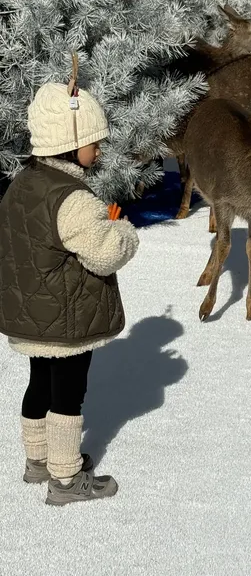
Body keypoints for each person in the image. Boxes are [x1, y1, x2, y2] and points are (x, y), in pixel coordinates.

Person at [0, 79, 139, 505]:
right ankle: (65, 480)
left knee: (39, 380)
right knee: (69, 393)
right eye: (94, 142)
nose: (99, 150)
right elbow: (103, 254)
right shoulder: (74, 199)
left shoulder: (23, 184)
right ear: (69, 142)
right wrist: (121, 231)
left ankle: (37, 461)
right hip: (67, 315)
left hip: (29, 310)